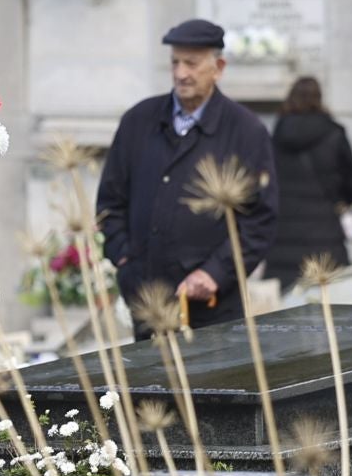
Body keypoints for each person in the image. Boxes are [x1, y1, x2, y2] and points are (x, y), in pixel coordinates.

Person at [96, 19, 278, 338]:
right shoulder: (138, 121)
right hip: (145, 297)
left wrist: (215, 272)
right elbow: (110, 202)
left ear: (218, 67)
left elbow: (259, 219)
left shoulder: (246, 131)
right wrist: (125, 258)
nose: (181, 73)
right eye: (175, 63)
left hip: (214, 307)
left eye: (191, 64)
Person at [266, 76, 352, 287]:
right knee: (330, 308)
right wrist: (342, 199)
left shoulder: (277, 135)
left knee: (281, 315)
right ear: (319, 99)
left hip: (283, 241)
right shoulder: (334, 133)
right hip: (325, 239)